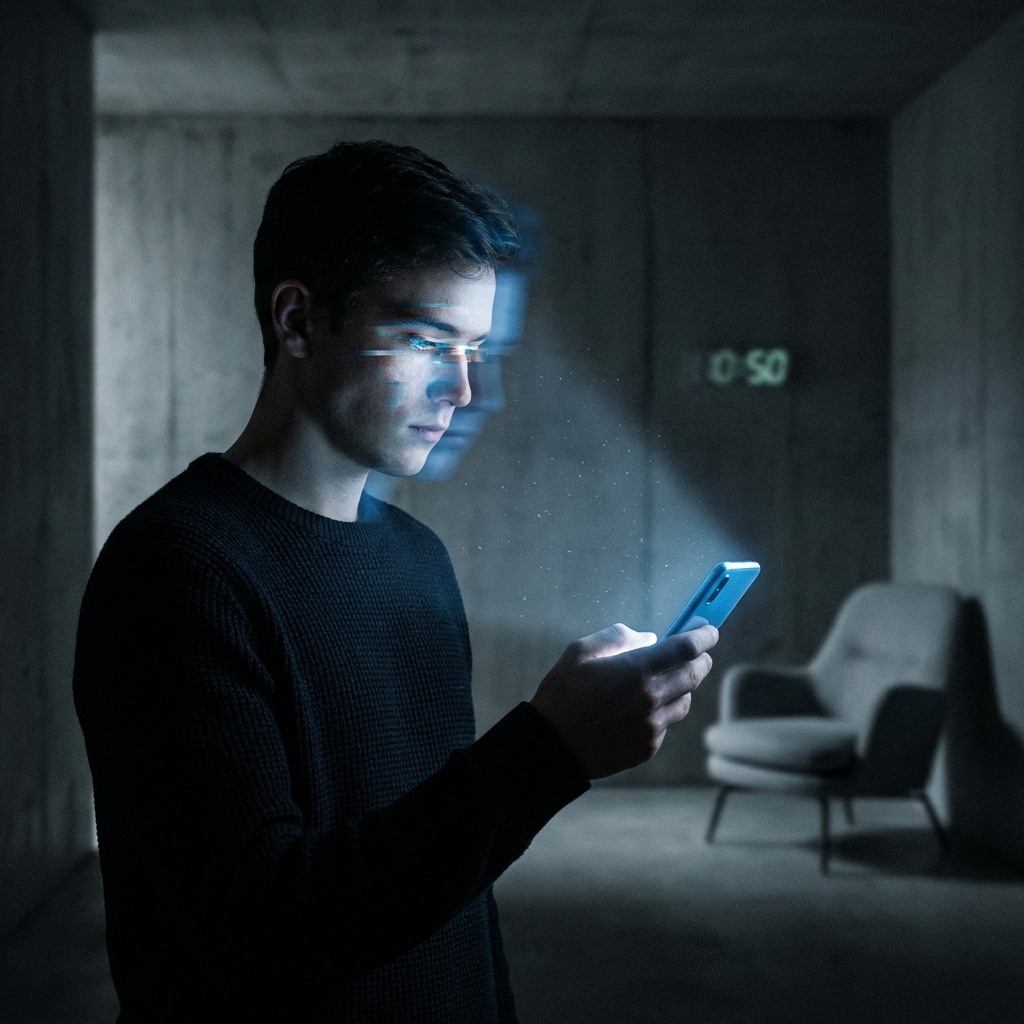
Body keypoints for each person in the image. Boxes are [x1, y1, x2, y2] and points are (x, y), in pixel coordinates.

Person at [73, 140, 718, 1023]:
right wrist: (548, 751)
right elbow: (263, 929)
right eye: (424, 338)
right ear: (298, 322)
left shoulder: (417, 558)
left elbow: (443, 892)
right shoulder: (176, 575)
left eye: (478, 347)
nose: (465, 388)